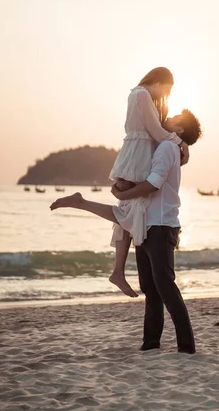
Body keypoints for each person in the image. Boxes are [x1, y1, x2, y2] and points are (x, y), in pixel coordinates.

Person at [50, 109, 202, 354]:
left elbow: (153, 183)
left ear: (180, 129)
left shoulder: (166, 148)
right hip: (146, 224)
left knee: (165, 287)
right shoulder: (166, 144)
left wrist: (122, 194)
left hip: (161, 226)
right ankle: (150, 343)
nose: (167, 118)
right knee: (150, 289)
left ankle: (187, 347)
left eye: (174, 118)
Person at [107, 67, 189, 298]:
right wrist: (179, 141)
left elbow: (153, 131)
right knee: (128, 210)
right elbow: (154, 130)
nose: (166, 93)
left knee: (129, 211)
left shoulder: (138, 95)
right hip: (136, 157)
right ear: (160, 81)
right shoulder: (141, 94)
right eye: (168, 88)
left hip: (137, 155)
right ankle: (118, 272)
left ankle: (118, 271)